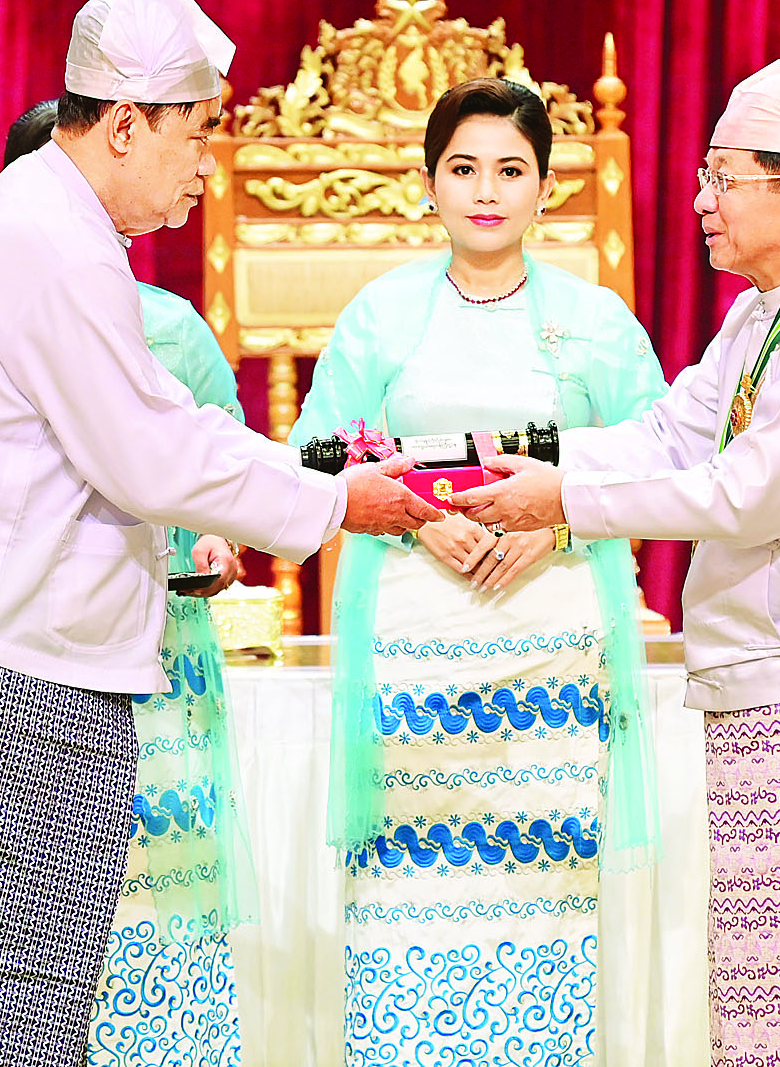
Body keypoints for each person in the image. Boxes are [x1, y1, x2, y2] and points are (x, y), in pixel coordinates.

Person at [0, 0, 440, 1067]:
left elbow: (160, 422)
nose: (207, 165)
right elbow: (150, 454)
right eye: (196, 134)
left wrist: (313, 477)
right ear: (123, 125)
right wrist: (336, 500)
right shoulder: (50, 243)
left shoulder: (41, 222)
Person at [453, 61, 780, 1067]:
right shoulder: (768, 311)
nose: (700, 202)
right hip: (776, 682)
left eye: (722, 178)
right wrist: (532, 458)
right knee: (771, 1000)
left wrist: (562, 503)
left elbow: (744, 494)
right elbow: (670, 438)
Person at [288, 77, 667, 1066]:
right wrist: (414, 520)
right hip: (413, 640)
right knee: (407, 892)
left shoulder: (595, 321)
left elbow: (662, 456)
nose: (486, 191)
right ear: (428, 184)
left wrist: (562, 522)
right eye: (463, 169)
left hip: (551, 647)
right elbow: (312, 454)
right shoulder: (381, 315)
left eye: (511, 170)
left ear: (546, 187)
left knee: (544, 889)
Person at [4, 99, 251, 1065]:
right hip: (42, 647)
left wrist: (217, 540)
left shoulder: (172, 326)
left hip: (163, 642)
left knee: (164, 874)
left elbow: (224, 461)